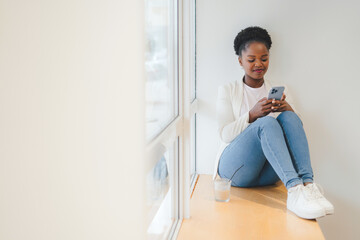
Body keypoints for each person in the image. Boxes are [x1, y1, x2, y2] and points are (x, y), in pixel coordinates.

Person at [214, 26, 334, 219]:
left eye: (264, 58)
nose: (258, 64)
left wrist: (288, 109)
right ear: (240, 61)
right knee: (266, 124)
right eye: (251, 60)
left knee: (290, 117)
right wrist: (252, 115)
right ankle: (295, 190)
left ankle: (308, 186)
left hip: (268, 174)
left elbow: (296, 133)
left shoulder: (279, 89)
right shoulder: (227, 90)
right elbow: (225, 134)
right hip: (235, 170)